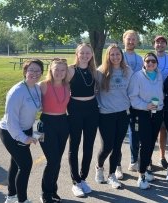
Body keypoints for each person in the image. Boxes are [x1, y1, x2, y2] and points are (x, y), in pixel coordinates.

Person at [0, 59, 44, 203]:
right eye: (31, 70)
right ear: (25, 71)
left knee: (16, 164)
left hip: (26, 129)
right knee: (25, 165)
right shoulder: (16, 92)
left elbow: (40, 107)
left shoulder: (36, 88)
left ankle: (11, 196)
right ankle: (22, 200)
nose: (34, 73)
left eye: (38, 70)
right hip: (11, 132)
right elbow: (11, 122)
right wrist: (24, 138)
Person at [94, 44, 132, 189]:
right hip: (105, 114)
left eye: (118, 54)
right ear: (108, 56)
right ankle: (99, 167)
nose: (115, 57)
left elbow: (132, 91)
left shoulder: (127, 71)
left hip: (123, 114)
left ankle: (111, 175)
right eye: (112, 54)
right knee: (107, 147)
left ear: (121, 55)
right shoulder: (100, 72)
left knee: (117, 147)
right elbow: (94, 92)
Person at [66, 43, 99, 197]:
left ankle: (83, 178)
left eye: (88, 53)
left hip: (92, 109)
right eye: (82, 53)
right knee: (75, 145)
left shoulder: (94, 71)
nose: (85, 55)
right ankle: (75, 181)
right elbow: (57, 84)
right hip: (75, 108)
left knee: (89, 145)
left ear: (91, 54)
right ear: (77, 54)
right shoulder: (71, 70)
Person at [128, 52, 164, 189]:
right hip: (143, 113)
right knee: (146, 144)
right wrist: (146, 106)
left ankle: (146, 170)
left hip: (157, 113)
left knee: (151, 143)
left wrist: (159, 106)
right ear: (143, 62)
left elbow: (160, 93)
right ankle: (141, 175)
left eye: (153, 61)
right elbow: (133, 97)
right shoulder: (137, 77)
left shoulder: (159, 75)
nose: (150, 63)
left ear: (156, 64)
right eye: (148, 61)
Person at [39, 58, 70, 203]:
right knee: (52, 161)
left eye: (62, 70)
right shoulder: (43, 85)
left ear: (66, 72)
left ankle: (53, 191)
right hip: (46, 124)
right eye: (56, 69)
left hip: (63, 123)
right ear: (50, 69)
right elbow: (32, 105)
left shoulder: (68, 86)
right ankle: (45, 193)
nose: (59, 72)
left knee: (57, 160)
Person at [123, 30, 144, 174]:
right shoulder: (118, 55)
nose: (131, 42)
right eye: (128, 39)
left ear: (137, 41)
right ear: (124, 39)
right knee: (118, 134)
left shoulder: (140, 59)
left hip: (135, 100)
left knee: (134, 132)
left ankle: (134, 160)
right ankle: (116, 165)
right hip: (120, 100)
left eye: (133, 39)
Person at [153, 35, 168, 169]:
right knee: (151, 127)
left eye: (162, 42)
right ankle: (147, 155)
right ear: (154, 44)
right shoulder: (149, 58)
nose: (160, 45)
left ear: (166, 45)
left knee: (163, 128)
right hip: (152, 98)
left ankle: (162, 156)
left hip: (166, 98)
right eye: (157, 42)